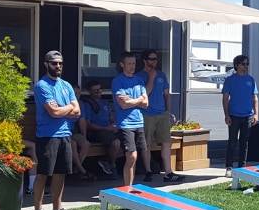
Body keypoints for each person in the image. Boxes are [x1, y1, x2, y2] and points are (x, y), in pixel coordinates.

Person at [32, 50, 80, 210]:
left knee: (61, 172)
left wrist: (62, 109)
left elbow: (77, 111)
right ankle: (38, 209)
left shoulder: (66, 85)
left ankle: (57, 209)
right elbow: (53, 112)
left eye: (60, 63)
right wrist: (68, 108)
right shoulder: (42, 86)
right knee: (44, 173)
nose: (58, 66)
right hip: (47, 136)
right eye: (54, 63)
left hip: (65, 134)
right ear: (46, 64)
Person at [142, 50, 183, 184]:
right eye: (151, 59)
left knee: (166, 142)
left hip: (162, 114)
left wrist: (168, 111)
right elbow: (144, 95)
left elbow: (166, 94)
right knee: (146, 143)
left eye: (156, 59)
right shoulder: (139, 76)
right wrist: (151, 78)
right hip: (146, 114)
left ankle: (168, 172)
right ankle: (148, 171)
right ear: (145, 60)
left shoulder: (162, 75)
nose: (154, 61)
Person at [112, 51, 149, 187]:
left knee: (136, 156)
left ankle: (130, 187)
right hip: (125, 124)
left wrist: (133, 100)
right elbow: (123, 104)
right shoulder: (118, 81)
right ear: (122, 64)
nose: (132, 66)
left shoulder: (139, 81)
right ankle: (127, 187)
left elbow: (146, 103)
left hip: (139, 122)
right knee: (131, 156)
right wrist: (138, 100)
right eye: (129, 63)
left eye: (133, 63)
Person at [222, 55, 259, 170]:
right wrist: (226, 115)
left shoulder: (251, 80)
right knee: (232, 143)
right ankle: (229, 167)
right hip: (234, 116)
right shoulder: (230, 80)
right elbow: (225, 98)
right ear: (237, 65)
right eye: (243, 64)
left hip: (248, 116)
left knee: (244, 143)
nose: (246, 66)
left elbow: (255, 98)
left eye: (247, 64)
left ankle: (241, 168)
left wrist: (256, 114)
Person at [78, 82, 121, 179]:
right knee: (116, 143)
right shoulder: (87, 104)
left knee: (127, 140)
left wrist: (114, 126)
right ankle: (112, 165)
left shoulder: (105, 102)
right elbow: (88, 124)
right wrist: (106, 128)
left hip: (109, 130)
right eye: (95, 90)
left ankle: (105, 161)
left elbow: (112, 118)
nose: (98, 92)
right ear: (90, 92)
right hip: (95, 132)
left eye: (99, 89)